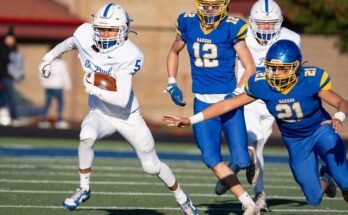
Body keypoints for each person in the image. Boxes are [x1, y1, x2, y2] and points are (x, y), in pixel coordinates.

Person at [39, 3, 198, 214]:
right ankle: (84, 188)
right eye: (101, 29)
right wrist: (48, 57)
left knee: (151, 166)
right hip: (100, 113)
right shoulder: (85, 34)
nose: (104, 34)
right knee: (86, 136)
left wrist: (94, 88)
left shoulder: (129, 54)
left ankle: (183, 199)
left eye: (111, 29)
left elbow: (122, 99)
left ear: (123, 30)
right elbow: (71, 42)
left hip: (127, 116)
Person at [163, 39, 348, 206]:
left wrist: (339, 116)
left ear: (296, 67)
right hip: (295, 141)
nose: (277, 74)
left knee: (346, 181)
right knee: (313, 198)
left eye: (282, 69)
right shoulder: (263, 84)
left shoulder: (310, 79)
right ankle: (326, 178)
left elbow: (342, 103)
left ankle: (337, 177)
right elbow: (228, 104)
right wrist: (191, 119)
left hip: (321, 131)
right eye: (273, 68)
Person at [165, 0, 260, 214]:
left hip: (228, 101)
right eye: (205, 5)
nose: (209, 10)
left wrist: (236, 93)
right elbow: (173, 51)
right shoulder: (187, 22)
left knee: (241, 160)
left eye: (215, 5)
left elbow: (250, 67)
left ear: (224, 6)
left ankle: (251, 156)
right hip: (202, 100)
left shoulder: (232, 26)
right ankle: (247, 202)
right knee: (210, 158)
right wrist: (171, 82)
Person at [214, 0, 301, 211]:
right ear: (252, 22)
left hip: (272, 100)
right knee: (254, 141)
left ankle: (235, 167)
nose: (266, 28)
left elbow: (294, 71)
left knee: (258, 145)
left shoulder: (291, 38)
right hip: (248, 96)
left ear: (279, 22)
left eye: (270, 23)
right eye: (261, 23)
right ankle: (259, 195)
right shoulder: (240, 34)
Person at [39, 48, 72, 129]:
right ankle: (59, 120)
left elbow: (41, 73)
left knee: (48, 103)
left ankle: (44, 120)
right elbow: (65, 75)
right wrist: (68, 86)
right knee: (60, 103)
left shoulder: (45, 63)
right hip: (57, 86)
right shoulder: (61, 63)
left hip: (48, 86)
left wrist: (44, 83)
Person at [0, 26, 25, 126]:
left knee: (8, 98)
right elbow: (6, 60)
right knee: (7, 98)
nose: (11, 41)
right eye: (9, 39)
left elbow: (17, 64)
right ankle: (12, 117)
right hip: (3, 76)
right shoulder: (3, 48)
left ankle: (13, 117)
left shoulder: (14, 50)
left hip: (9, 77)